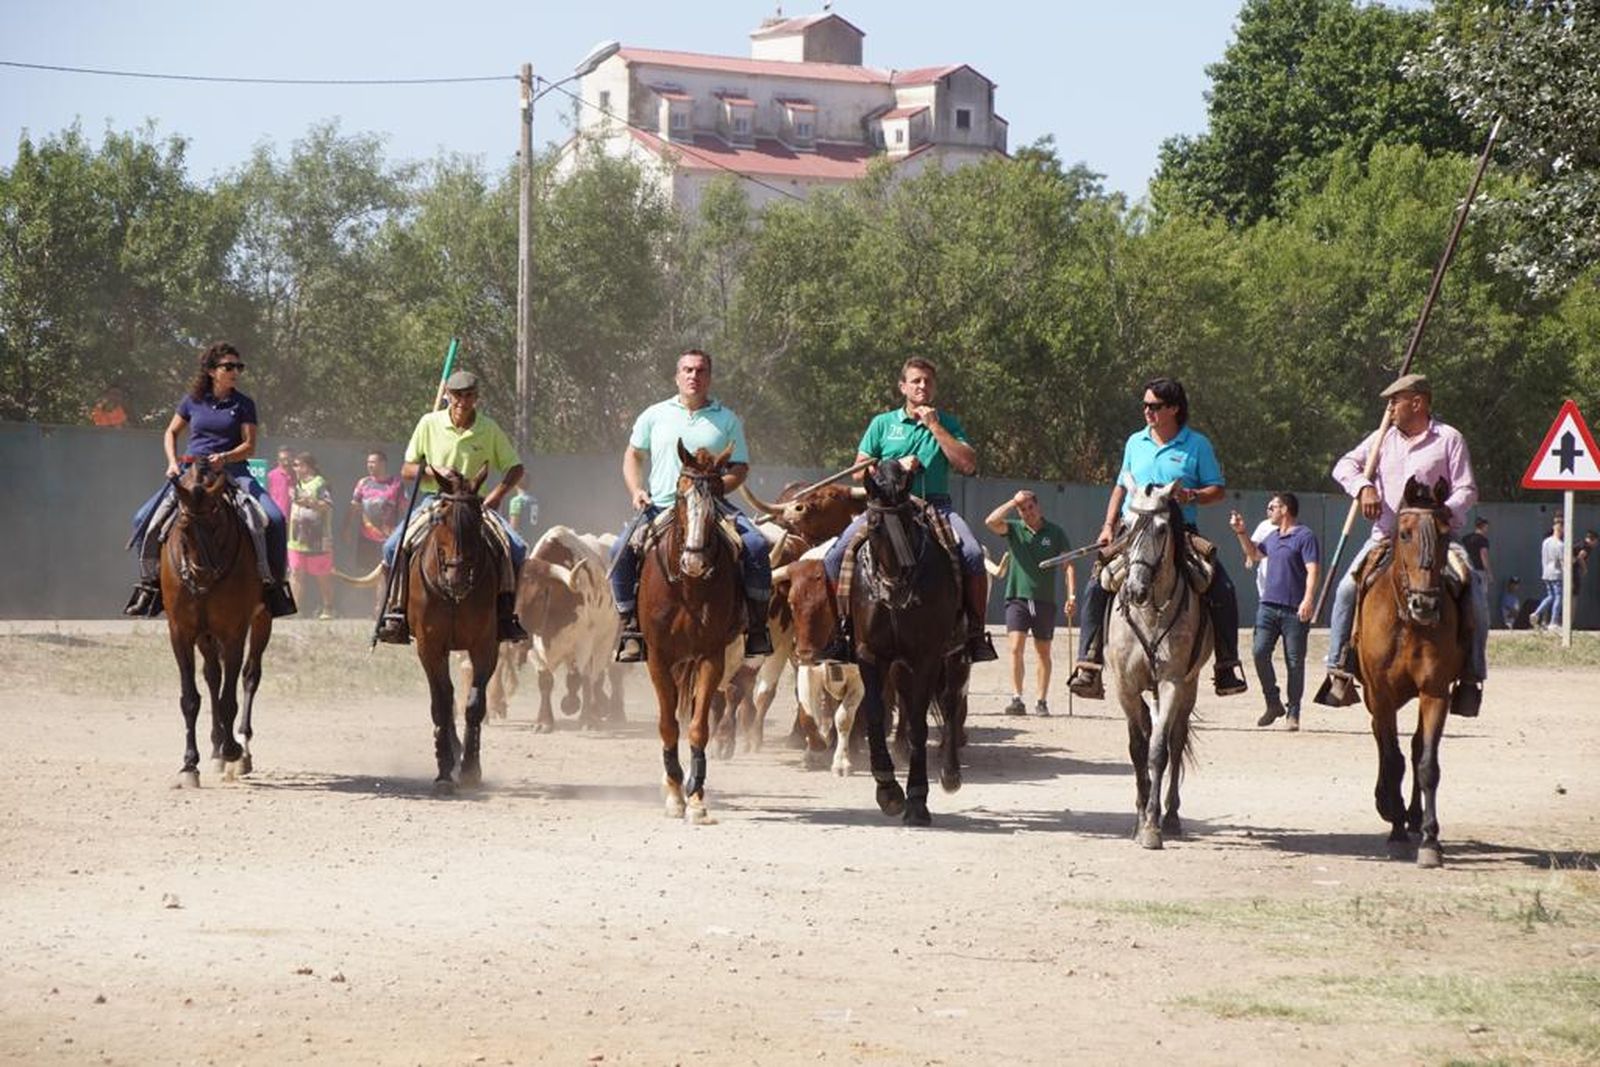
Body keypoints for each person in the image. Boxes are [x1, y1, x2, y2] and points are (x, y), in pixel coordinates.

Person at [1314, 373, 1486, 716]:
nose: (1390, 408)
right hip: (1386, 540)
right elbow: (1343, 465)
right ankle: (1340, 669)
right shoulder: (1381, 439)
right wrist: (1364, 486)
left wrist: (1440, 514)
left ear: (1417, 402)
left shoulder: (1449, 439)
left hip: (1438, 540)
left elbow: (1467, 490)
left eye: (1396, 401)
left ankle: (1471, 675)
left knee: (1474, 586)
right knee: (1348, 590)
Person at [1066, 377, 1249, 699]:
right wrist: (1109, 525)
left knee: (1223, 586)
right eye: (1145, 405)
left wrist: (1191, 496)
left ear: (1174, 409)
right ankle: (1089, 664)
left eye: (1154, 406)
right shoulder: (1135, 442)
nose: (1147, 411)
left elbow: (1217, 489)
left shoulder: (1197, 445)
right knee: (1097, 584)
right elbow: (1121, 487)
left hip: (1178, 530)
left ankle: (1226, 665)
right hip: (1132, 529)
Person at [817, 357, 998, 664]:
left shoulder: (948, 423)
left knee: (971, 554)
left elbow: (967, 463)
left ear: (934, 387)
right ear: (903, 387)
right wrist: (894, 467)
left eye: (928, 381)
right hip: (885, 507)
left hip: (934, 505)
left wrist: (934, 426)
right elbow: (858, 472)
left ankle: (974, 634)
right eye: (916, 381)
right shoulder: (882, 423)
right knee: (835, 557)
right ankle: (843, 632)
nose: (922, 386)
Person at [609, 349, 772, 662]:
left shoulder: (727, 419)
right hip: (661, 506)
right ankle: (630, 627)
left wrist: (715, 489)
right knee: (619, 550)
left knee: (755, 545)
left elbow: (740, 468)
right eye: (687, 370)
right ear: (677, 376)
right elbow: (633, 455)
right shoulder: (654, 414)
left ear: (709, 377)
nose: (693, 376)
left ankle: (757, 627)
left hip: (714, 507)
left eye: (700, 371)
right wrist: (636, 490)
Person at [124, 342, 295, 618]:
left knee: (274, 518)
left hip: (234, 472)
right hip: (191, 472)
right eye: (229, 366)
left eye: (239, 367)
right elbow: (171, 433)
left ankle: (274, 587)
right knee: (142, 519)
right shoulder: (192, 401)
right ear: (212, 371)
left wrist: (225, 457)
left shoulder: (244, 404)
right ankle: (150, 586)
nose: (235, 371)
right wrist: (172, 462)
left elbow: (249, 446)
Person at [375, 370, 529, 644]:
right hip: (436, 502)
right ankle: (395, 613)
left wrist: (496, 494)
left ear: (476, 398)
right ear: (447, 396)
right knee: (392, 546)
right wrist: (435, 473)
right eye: (457, 395)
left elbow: (515, 468)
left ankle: (506, 616)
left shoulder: (488, 428)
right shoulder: (428, 423)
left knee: (516, 547)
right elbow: (407, 469)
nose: (462, 401)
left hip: (473, 505)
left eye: (468, 396)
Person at [1230, 493, 1320, 731]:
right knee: (1259, 652)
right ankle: (1273, 702)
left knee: (1294, 662)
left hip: (1294, 609)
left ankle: (1294, 712)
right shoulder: (1272, 536)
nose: (1269, 509)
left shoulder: (1305, 536)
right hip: (1268, 606)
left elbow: (1312, 571)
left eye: (1274, 506)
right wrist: (1241, 532)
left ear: (1286, 509)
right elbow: (1253, 554)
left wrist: (1308, 599)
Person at [985, 489, 1074, 716]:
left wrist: (1071, 595)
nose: (1027, 513)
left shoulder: (1055, 533)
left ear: (1038, 506)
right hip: (1017, 598)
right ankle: (1017, 698)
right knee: (1015, 648)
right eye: (1022, 509)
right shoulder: (1014, 529)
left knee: (1043, 652)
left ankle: (1041, 701)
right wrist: (1011, 501)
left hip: (1044, 600)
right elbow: (991, 521)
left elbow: (1068, 565)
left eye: (1030, 507)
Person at [343, 449, 403, 611]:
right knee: (367, 570)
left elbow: (404, 508)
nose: (370, 465)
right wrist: (347, 528)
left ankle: (380, 607)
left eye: (373, 462)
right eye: (368, 462)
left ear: (383, 463)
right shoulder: (363, 483)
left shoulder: (395, 483)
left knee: (384, 571)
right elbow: (354, 507)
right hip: (366, 536)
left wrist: (401, 531)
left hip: (388, 538)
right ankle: (366, 607)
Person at [288, 452, 336, 620]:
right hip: (296, 540)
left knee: (322, 576)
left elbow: (327, 505)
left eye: (297, 465)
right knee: (295, 573)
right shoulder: (297, 485)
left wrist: (309, 502)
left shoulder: (320, 483)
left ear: (307, 467)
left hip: (318, 540)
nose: (295, 468)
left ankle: (328, 608)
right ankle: (295, 610)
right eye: (294, 465)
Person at [1531, 515, 1564, 631]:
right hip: (1557, 573)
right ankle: (1553, 621)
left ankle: (1536, 613)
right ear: (1561, 528)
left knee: (1550, 596)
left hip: (1546, 572)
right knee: (1559, 597)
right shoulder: (1560, 545)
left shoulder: (1546, 542)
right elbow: (1562, 561)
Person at [266, 446, 295, 520]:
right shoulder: (271, 475)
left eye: (288, 458)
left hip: (294, 518)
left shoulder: (297, 475)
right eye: (283, 459)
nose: (286, 462)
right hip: (276, 518)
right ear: (278, 460)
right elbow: (267, 496)